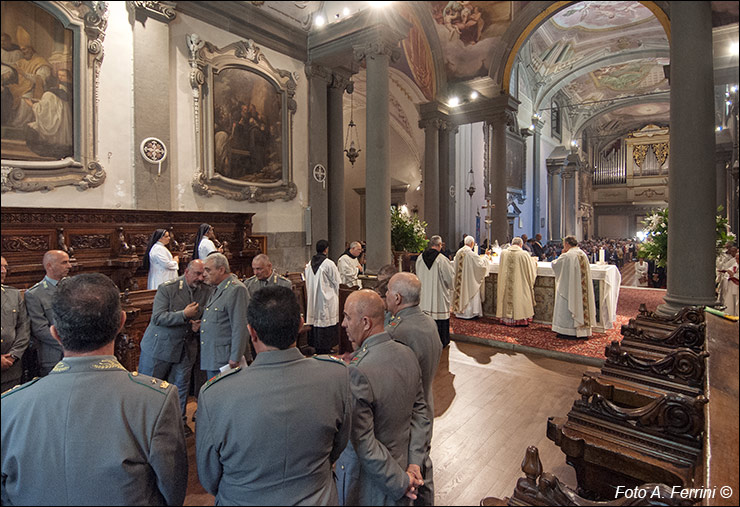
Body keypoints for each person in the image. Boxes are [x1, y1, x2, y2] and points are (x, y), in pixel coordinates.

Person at [1, 273, 187, 505]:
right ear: (121, 322)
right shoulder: (155, 400)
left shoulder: (8, 405)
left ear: (55, 333)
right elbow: (172, 491)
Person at [197, 285, 351, 505]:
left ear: (251, 332)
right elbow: (338, 446)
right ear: (300, 324)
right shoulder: (336, 376)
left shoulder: (215, 394)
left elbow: (209, 476)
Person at [335, 290, 428, 506]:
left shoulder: (358, 371)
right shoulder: (407, 354)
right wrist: (414, 463)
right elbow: (421, 413)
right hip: (404, 466)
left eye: (348, 317)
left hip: (372, 482)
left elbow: (364, 441)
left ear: (365, 322)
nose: (343, 324)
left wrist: (400, 482)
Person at [138, 259, 213, 436]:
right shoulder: (168, 288)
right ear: (186, 272)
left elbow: (206, 314)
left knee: (180, 387)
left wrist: (198, 325)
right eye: (197, 273)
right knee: (151, 386)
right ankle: (147, 427)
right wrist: (184, 315)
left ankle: (179, 424)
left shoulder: (206, 290)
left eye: (203, 274)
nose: (201, 277)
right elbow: (158, 318)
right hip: (160, 348)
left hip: (186, 346)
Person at [385, 273, 442, 506]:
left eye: (388, 291)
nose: (386, 296)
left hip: (408, 413)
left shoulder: (398, 331)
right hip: (427, 402)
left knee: (410, 468)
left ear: (397, 298)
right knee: (423, 462)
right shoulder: (428, 321)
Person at [200, 253, 249, 379]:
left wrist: (235, 356)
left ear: (221, 270)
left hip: (226, 359)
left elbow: (240, 326)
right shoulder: (217, 288)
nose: (204, 274)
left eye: (208, 270)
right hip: (213, 356)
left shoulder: (236, 289)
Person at [24, 249, 71, 376]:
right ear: (49, 266)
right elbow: (39, 329)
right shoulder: (35, 294)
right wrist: (69, 345)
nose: (69, 266)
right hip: (53, 356)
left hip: (79, 355)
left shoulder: (74, 287)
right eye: (64, 263)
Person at [551, 235, 596, 339]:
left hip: (569, 289)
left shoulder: (567, 255)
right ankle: (583, 331)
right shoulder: (582, 254)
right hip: (580, 289)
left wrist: (561, 254)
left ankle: (567, 331)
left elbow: (555, 265)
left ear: (567, 244)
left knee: (566, 305)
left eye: (564, 245)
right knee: (580, 304)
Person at [416, 235, 455, 347]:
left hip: (424, 296)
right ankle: (441, 341)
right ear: (439, 245)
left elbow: (417, 275)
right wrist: (450, 287)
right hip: (438, 296)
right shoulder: (442, 260)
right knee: (439, 319)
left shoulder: (420, 258)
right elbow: (449, 278)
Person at [305, 239, 341, 354]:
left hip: (313, 298)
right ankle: (326, 346)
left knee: (316, 321)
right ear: (326, 249)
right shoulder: (329, 263)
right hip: (327, 298)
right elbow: (337, 281)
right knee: (326, 321)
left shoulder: (309, 264)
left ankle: (317, 345)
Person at [1, 256, 30, 393]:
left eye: (5, 267)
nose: (3, 271)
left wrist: (13, 355)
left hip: (11, 369)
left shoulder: (13, 294)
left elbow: (23, 327)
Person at [495, 237, 538, 327]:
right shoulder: (524, 254)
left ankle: (506, 319)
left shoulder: (504, 253)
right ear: (521, 245)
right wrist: (534, 262)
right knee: (519, 297)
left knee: (507, 296)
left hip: (506, 284)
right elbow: (530, 270)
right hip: (519, 284)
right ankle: (519, 320)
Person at [451, 235, 488, 319]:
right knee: (471, 292)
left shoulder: (458, 252)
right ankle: (469, 314)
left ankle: (459, 312)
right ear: (472, 243)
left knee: (461, 293)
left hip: (460, 282)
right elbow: (481, 265)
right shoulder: (471, 254)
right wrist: (486, 257)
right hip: (468, 281)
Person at [720, 251, 739, 316]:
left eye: (738, 259)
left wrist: (734, 275)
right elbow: (728, 271)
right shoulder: (735, 265)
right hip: (732, 287)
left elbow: (735, 275)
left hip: (737, 288)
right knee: (730, 304)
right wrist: (728, 274)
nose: (737, 260)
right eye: (736, 258)